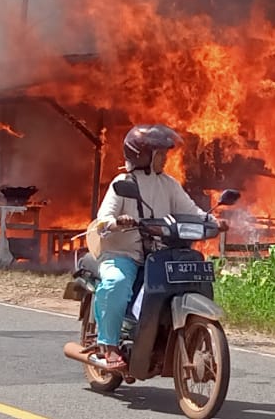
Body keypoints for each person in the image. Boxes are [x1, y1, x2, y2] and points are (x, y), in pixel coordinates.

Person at [90, 124, 221, 370]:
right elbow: (103, 218)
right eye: (160, 154)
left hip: (159, 256)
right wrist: (117, 222)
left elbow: (191, 211)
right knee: (116, 283)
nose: (165, 158)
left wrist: (213, 221)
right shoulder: (123, 183)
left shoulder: (168, 184)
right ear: (143, 156)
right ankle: (108, 346)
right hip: (123, 254)